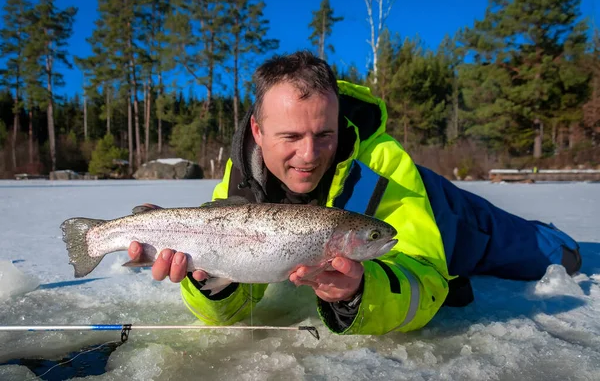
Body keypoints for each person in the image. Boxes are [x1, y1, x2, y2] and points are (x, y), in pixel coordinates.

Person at [128, 50, 582, 335]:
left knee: (549, 254)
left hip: (438, 211)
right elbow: (234, 291)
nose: (308, 155)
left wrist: (361, 291)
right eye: (290, 137)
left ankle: (554, 239)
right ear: (258, 131)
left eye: (323, 134)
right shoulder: (240, 179)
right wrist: (208, 285)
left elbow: (425, 275)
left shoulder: (384, 164)